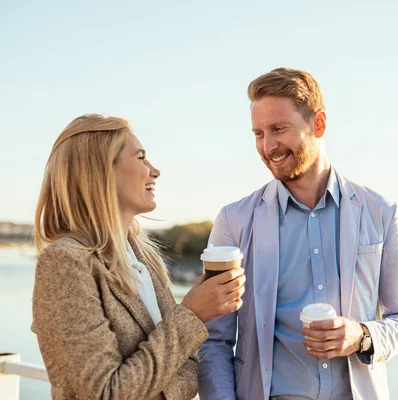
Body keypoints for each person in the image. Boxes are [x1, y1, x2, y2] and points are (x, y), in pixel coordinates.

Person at [197, 68, 398, 400]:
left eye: (278, 129)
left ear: (318, 124)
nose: (267, 146)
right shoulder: (234, 221)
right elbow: (214, 339)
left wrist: (362, 335)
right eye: (258, 133)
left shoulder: (381, 212)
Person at [31, 114, 245, 399]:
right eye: (141, 158)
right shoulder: (65, 263)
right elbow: (106, 393)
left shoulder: (143, 258)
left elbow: (192, 366)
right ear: (101, 171)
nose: (154, 171)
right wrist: (192, 314)